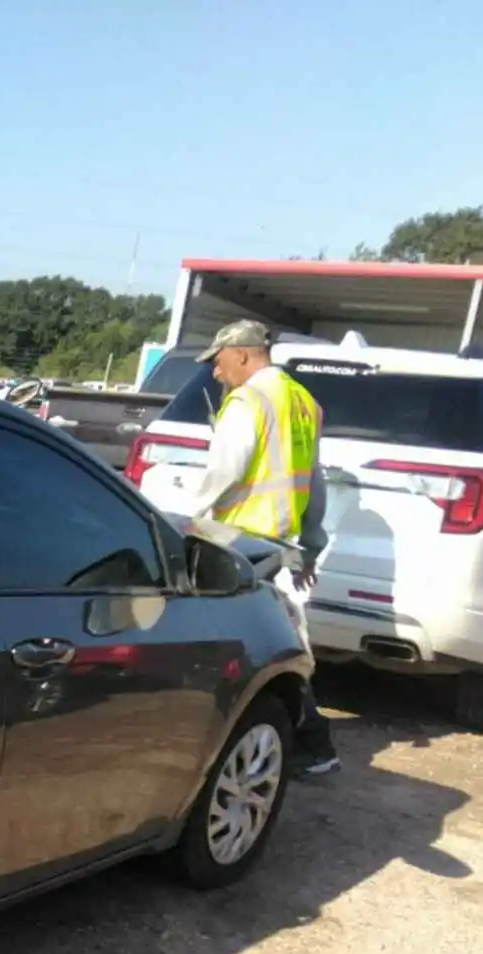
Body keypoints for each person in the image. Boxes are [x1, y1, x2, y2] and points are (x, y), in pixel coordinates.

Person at [179, 319, 340, 776]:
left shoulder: (247, 400)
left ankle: (298, 743)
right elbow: (314, 479)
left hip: (239, 542)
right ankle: (312, 746)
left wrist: (187, 524)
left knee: (242, 647)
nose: (214, 372)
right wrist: (311, 540)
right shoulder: (304, 402)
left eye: (218, 361)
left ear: (244, 355)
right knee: (277, 639)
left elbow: (224, 472)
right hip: (279, 541)